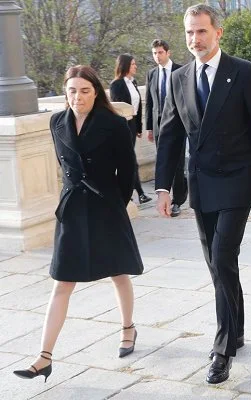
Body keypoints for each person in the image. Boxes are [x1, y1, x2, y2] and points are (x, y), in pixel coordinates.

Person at [154, 4, 251, 384]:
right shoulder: (178, 79)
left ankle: (223, 346)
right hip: (202, 184)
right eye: (190, 33)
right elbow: (170, 137)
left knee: (223, 254)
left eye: (202, 32)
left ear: (218, 33)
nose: (195, 40)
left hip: (238, 181)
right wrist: (163, 187)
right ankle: (237, 328)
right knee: (217, 263)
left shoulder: (242, 72)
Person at [13, 66, 144, 382]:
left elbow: (128, 171)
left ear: (96, 92)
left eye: (84, 90)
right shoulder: (57, 121)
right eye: (72, 90)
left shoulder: (113, 124)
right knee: (62, 281)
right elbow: (64, 165)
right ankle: (44, 357)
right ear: (65, 92)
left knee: (118, 272)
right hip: (72, 209)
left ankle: (128, 328)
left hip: (106, 207)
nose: (77, 96)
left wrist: (116, 203)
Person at [145, 39, 188, 217]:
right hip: (158, 125)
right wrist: (148, 127)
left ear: (168, 53)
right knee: (164, 160)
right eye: (154, 53)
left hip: (177, 123)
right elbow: (149, 102)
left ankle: (178, 200)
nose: (157, 56)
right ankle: (164, 194)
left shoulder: (181, 71)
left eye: (160, 52)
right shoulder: (152, 74)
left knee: (178, 163)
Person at [109, 54, 152, 205]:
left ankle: (135, 192)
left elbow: (138, 107)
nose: (135, 66)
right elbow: (118, 108)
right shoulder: (117, 84)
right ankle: (138, 192)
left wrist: (139, 128)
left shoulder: (133, 83)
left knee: (129, 159)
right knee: (129, 159)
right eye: (133, 64)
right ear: (125, 66)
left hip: (132, 124)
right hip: (123, 125)